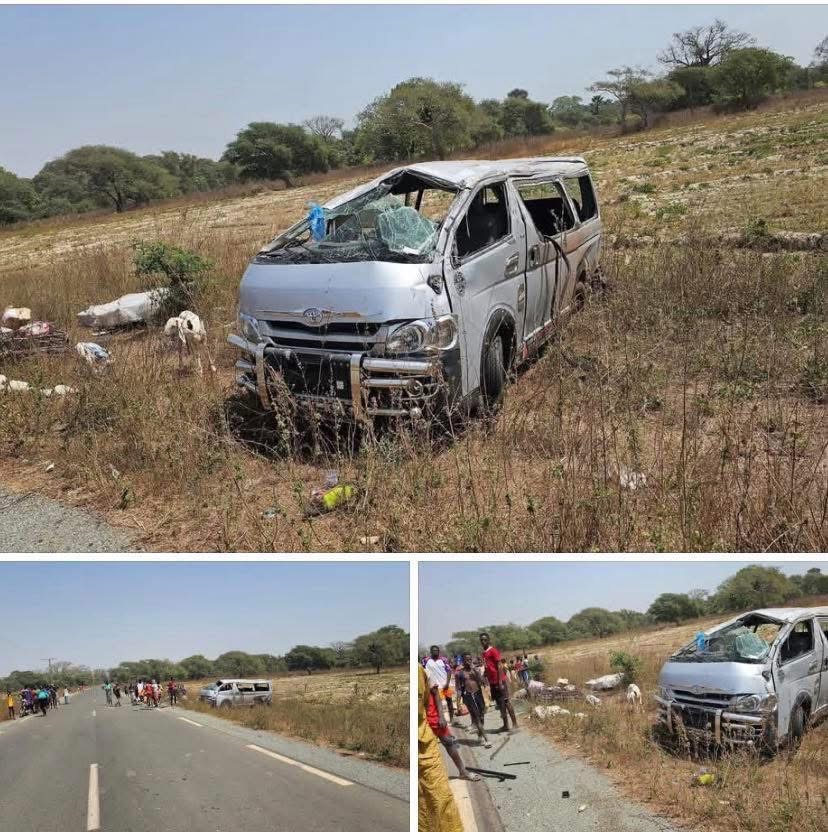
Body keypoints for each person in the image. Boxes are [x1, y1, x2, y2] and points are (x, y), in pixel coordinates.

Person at [417, 665, 463, 832]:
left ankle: (462, 770)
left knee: (448, 742)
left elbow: (436, 693)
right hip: (422, 727)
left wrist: (442, 715)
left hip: (433, 719)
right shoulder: (427, 664)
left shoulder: (423, 670)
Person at [479, 632, 518, 732]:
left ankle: (515, 724)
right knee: (500, 703)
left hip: (500, 681)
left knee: (506, 701)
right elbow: (488, 668)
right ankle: (505, 725)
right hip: (492, 682)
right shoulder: (483, 653)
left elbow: (499, 666)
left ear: (488, 640)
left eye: (485, 640)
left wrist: (500, 681)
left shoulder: (493, 651)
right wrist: (483, 677)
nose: (483, 641)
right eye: (481, 640)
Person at [456, 655, 491, 748]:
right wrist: (458, 702)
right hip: (469, 696)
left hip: (478, 694)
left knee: (482, 716)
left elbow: (483, 681)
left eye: (470, 659)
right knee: (477, 718)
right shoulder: (460, 674)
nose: (468, 661)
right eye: (466, 659)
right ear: (463, 661)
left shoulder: (475, 670)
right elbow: (459, 689)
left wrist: (475, 672)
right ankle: (486, 739)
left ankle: (480, 735)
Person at [425, 646, 457, 725]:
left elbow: (449, 671)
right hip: (434, 687)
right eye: (434, 650)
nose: (436, 652)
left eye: (437, 650)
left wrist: (447, 683)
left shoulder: (443, 660)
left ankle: (452, 719)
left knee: (449, 701)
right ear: (431, 651)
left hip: (445, 685)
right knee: (437, 704)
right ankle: (440, 720)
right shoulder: (426, 661)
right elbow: (424, 672)